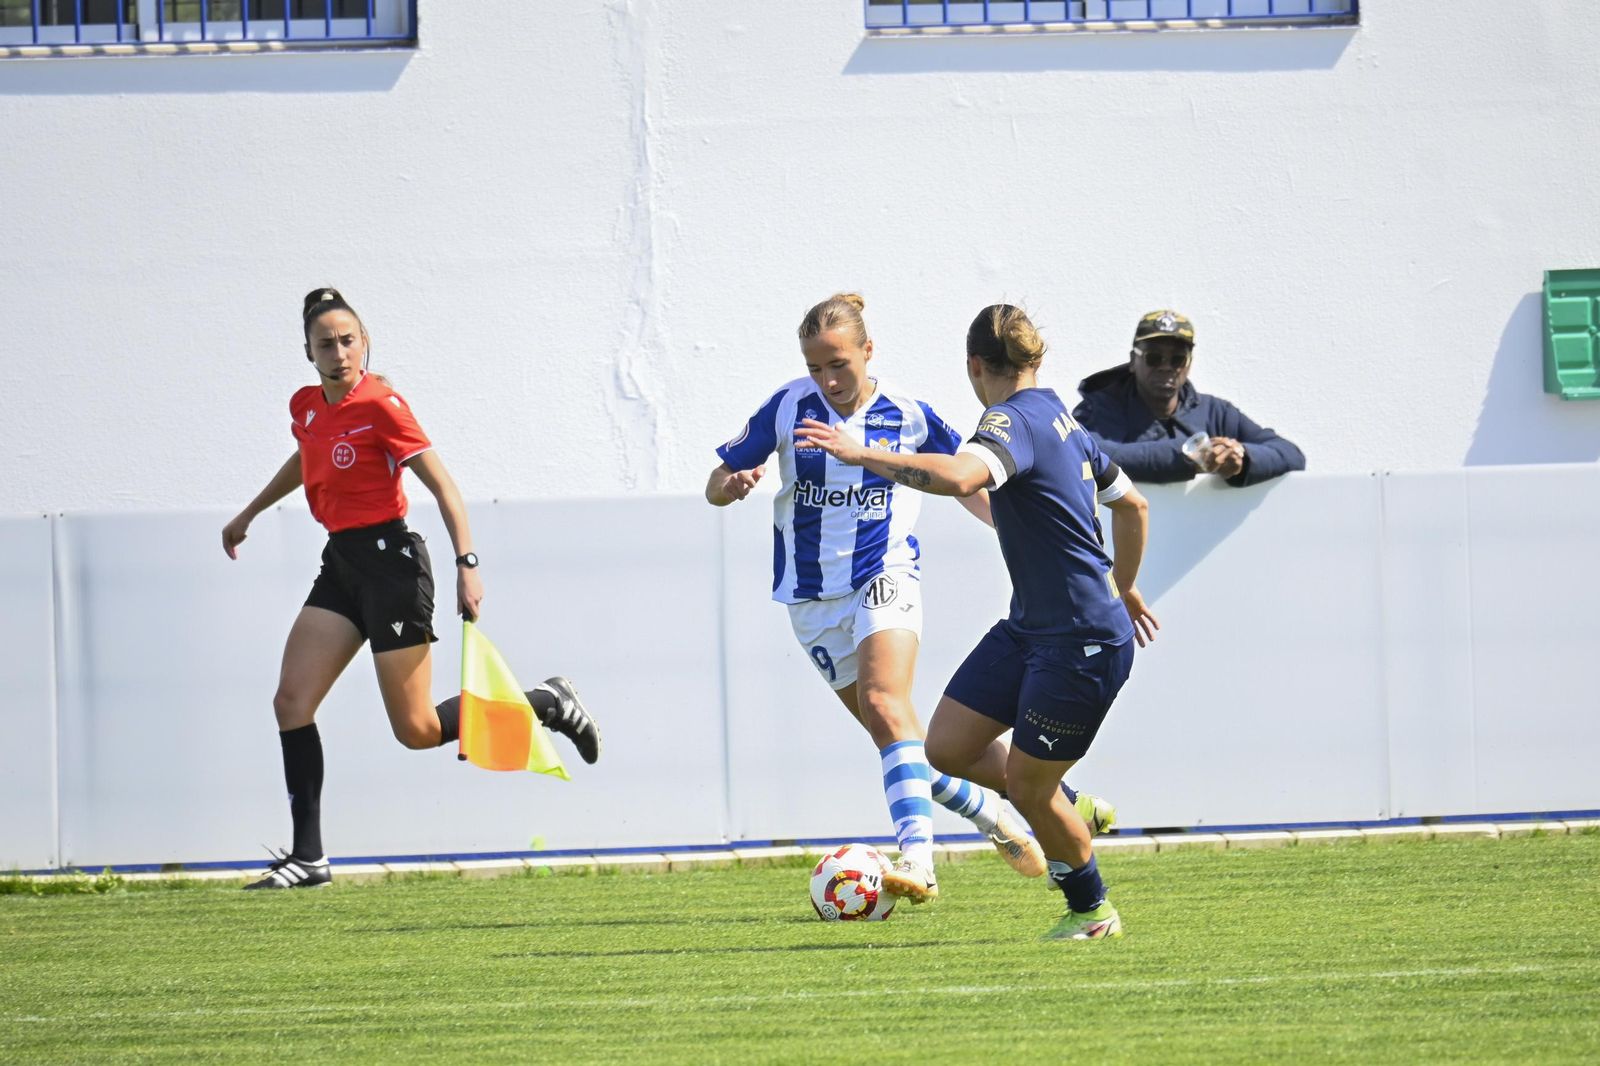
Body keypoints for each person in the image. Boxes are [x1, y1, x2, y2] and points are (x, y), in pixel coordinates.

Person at [707, 292, 1106, 904]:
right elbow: (716, 483)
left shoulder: (909, 413)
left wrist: (1020, 527)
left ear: (868, 351)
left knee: (885, 703)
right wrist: (731, 486)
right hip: (810, 599)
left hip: (884, 574)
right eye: (816, 367)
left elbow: (965, 476)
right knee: (897, 737)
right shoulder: (787, 408)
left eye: (839, 363)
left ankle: (918, 861)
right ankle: (1012, 809)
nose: (828, 379)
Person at [796, 304, 1158, 940]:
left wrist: (864, 454)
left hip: (1081, 642)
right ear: (1036, 358)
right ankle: (1074, 810)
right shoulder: (1063, 420)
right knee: (947, 746)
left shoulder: (1010, 419)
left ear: (974, 366)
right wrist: (1123, 584)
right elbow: (1132, 504)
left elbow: (964, 474)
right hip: (1031, 629)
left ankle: (1091, 909)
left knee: (1027, 784)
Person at [222, 287, 602, 890]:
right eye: (327, 344)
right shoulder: (307, 406)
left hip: (393, 564)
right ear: (308, 352)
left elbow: (443, 486)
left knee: (418, 730)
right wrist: (249, 513)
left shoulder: (382, 403)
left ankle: (548, 703)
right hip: (341, 564)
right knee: (291, 703)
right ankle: (309, 857)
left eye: (349, 340)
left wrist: (467, 562)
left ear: (364, 342)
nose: (340, 352)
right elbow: (306, 455)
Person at [1072, 309, 1305, 485]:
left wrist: (1240, 460)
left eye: (1177, 359)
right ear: (1133, 361)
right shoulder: (1098, 409)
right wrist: (1191, 456)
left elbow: (1290, 454)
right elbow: (1089, 457)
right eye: (1154, 358)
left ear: (1188, 364)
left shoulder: (1216, 412)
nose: (1166, 367)